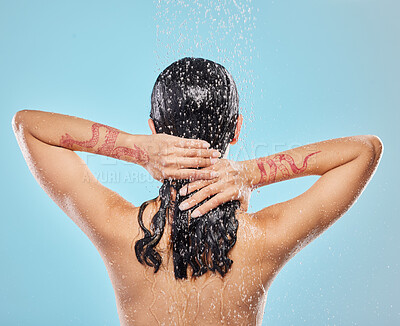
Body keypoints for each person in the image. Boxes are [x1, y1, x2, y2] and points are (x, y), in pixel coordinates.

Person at [12, 57, 383, 326]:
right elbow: (364, 151)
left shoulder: (118, 229)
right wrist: (250, 172)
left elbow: (28, 126)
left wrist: (133, 147)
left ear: (155, 129)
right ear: (236, 130)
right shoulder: (264, 238)